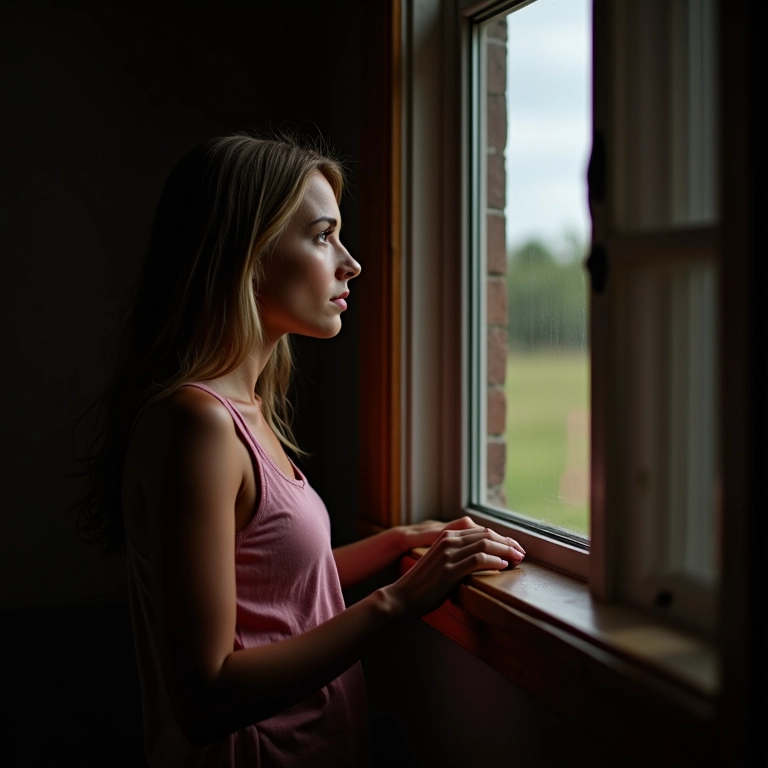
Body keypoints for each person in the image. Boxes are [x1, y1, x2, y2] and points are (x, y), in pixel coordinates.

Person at [77, 132, 525, 768]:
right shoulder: (196, 425)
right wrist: (399, 599)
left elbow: (272, 596)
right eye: (323, 236)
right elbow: (205, 700)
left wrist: (397, 543)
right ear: (250, 255)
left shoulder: (242, 413)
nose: (351, 263)